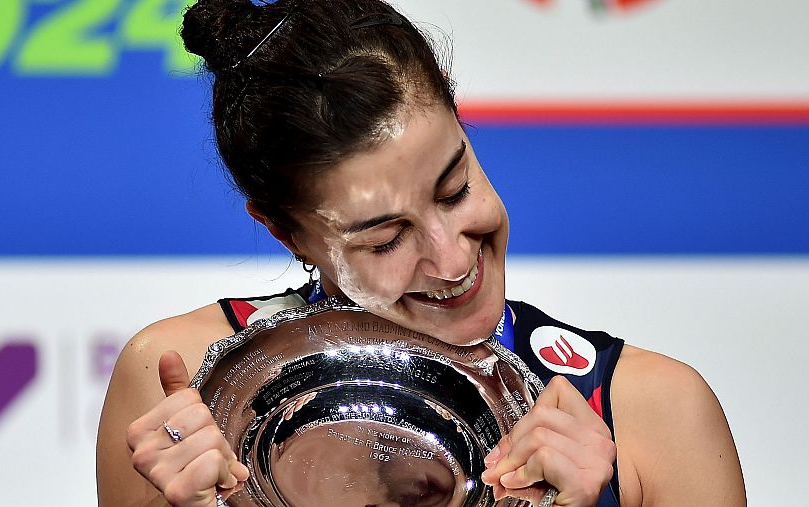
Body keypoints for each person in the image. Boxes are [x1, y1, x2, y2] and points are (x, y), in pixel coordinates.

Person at [96, 1, 746, 505]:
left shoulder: (653, 415)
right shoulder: (180, 400)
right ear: (285, 233)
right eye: (387, 238)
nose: (452, 259)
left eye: (455, 187)